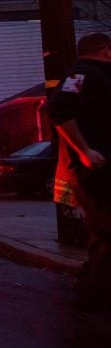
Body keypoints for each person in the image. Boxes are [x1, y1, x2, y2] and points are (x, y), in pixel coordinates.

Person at [46, 31, 111, 313]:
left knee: (104, 232)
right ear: (106, 50)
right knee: (106, 232)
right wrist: (84, 150)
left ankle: (92, 286)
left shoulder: (95, 75)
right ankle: (94, 297)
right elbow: (59, 109)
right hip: (93, 172)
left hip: (98, 169)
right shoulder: (83, 75)